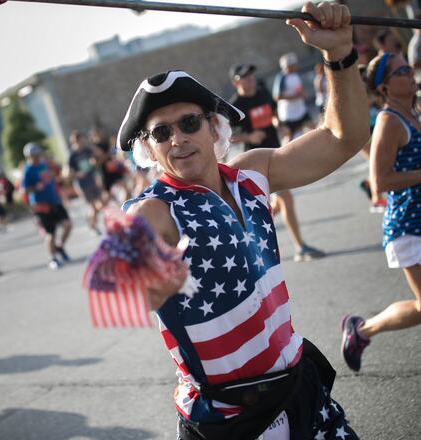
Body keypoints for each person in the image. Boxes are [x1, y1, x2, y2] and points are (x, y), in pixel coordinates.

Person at [117, 3, 366, 438]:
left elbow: (344, 138)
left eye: (189, 122)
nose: (177, 138)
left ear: (214, 129)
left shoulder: (253, 173)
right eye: (160, 132)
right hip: (232, 422)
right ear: (149, 151)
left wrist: (340, 55)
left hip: (300, 389)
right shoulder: (155, 208)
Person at [341, 51, 421, 373]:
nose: (410, 73)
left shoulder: (414, 113)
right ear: (385, 87)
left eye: (409, 67)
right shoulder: (390, 120)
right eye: (402, 71)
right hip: (408, 227)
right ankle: (361, 331)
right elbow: (380, 182)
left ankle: (360, 331)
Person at [230, 63, 325, 262]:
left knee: (275, 204)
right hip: (255, 164)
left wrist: (279, 126)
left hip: (275, 154)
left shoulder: (263, 94)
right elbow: (224, 138)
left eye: (251, 75)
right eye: (245, 77)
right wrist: (249, 136)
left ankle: (249, 238)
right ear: (235, 82)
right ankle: (300, 247)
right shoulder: (235, 105)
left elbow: (273, 115)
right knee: (286, 199)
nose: (250, 80)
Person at [21, 142, 72, 269]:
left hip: (54, 200)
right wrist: (35, 188)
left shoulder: (43, 164)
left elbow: (51, 180)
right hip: (41, 205)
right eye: (35, 155)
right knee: (51, 233)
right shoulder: (27, 171)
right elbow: (24, 191)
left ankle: (59, 247)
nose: (38, 156)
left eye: (38, 154)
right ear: (29, 156)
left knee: (68, 224)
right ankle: (53, 258)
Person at [67, 130, 104, 234]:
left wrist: (91, 147)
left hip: (92, 180)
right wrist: (78, 174)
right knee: (93, 207)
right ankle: (92, 224)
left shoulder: (86, 150)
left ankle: (91, 222)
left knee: (100, 205)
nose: (83, 141)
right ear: (76, 141)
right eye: (81, 140)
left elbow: (100, 154)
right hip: (82, 184)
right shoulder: (72, 155)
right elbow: (68, 173)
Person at [273, 52, 315, 142]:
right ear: (289, 66)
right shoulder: (281, 78)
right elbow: (277, 96)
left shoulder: (295, 75)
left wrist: (303, 94)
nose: (297, 66)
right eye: (294, 64)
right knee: (290, 138)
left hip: (301, 110)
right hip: (289, 115)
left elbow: (298, 90)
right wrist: (296, 97)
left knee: (313, 128)